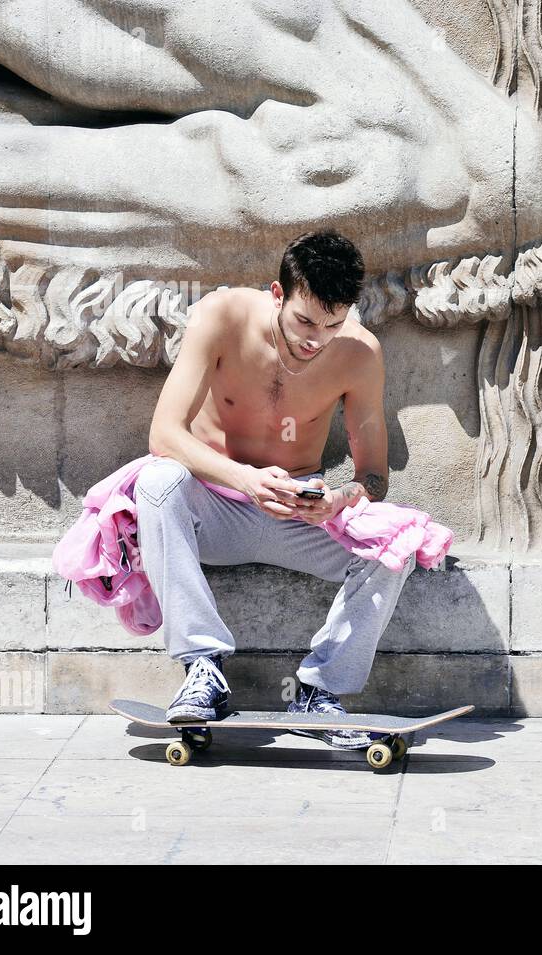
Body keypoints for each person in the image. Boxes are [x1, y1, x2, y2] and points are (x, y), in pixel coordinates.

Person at [136, 230, 409, 749]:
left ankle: (318, 693)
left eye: (333, 324)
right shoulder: (222, 316)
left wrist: (337, 498)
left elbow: (374, 477)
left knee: (395, 547)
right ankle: (203, 670)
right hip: (215, 505)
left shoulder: (359, 353)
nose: (315, 338)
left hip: (297, 514)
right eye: (305, 321)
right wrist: (244, 478)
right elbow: (164, 434)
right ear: (278, 294)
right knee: (155, 480)